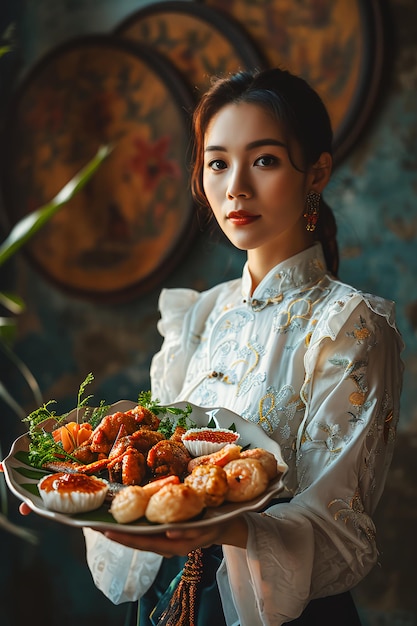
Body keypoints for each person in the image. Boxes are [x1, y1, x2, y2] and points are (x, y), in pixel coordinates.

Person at [22, 67, 406, 625]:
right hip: (162, 599)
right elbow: (150, 459)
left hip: (274, 606)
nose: (236, 188)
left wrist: (231, 527)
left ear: (316, 172)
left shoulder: (348, 325)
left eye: (265, 160)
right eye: (218, 162)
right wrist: (75, 489)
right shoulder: (198, 315)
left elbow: (343, 533)